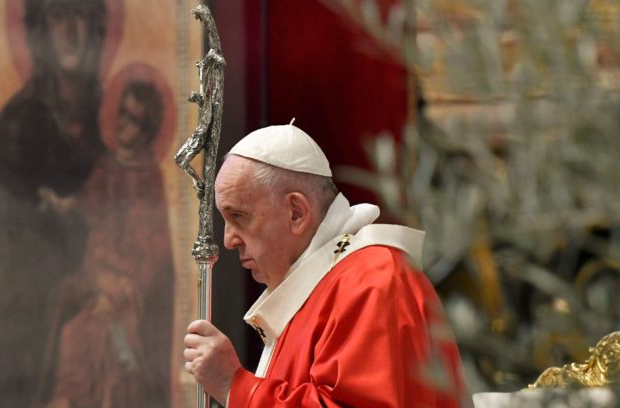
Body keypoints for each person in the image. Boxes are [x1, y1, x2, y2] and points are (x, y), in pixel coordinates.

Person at [183, 123, 469, 407]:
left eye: (239, 216)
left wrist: (235, 386)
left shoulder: (372, 280)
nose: (228, 240)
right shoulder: (323, 282)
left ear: (296, 213)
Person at [0, 0, 107, 406]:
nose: (71, 29)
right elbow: (9, 258)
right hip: (26, 353)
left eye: (81, 14)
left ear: (97, 26)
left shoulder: (116, 120)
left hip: (97, 340)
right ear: (39, 30)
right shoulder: (15, 133)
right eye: (58, 15)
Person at [39, 79, 174, 408]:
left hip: (128, 285)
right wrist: (59, 204)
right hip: (97, 273)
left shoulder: (149, 177)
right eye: (122, 114)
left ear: (146, 130)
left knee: (100, 344)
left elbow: (153, 246)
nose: (124, 124)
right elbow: (86, 202)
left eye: (134, 119)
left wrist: (122, 285)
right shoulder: (108, 166)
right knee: (70, 329)